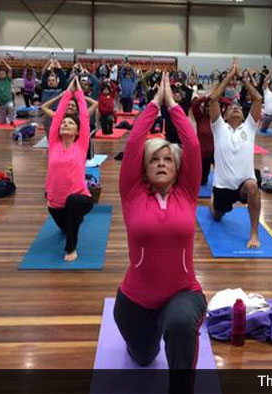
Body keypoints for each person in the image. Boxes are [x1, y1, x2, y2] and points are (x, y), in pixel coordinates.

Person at [115, 73, 205, 392]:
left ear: (177, 167)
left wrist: (173, 106)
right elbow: (133, 142)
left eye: (168, 159)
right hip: (135, 301)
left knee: (180, 323)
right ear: (144, 167)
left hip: (183, 293)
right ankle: (145, 340)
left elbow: (192, 145)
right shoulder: (132, 193)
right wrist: (154, 105)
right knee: (143, 357)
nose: (163, 163)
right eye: (155, 159)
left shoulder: (187, 194)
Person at [209, 60, 263, 249]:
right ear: (224, 116)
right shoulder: (219, 128)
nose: (235, 107)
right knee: (217, 216)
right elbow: (213, 98)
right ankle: (215, 204)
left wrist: (243, 79)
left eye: (239, 107)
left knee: (253, 186)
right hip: (222, 187)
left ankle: (254, 233)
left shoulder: (249, 127)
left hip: (242, 186)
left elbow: (257, 99)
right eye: (231, 107)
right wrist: (229, 77)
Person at [44, 77, 93, 262]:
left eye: (70, 124)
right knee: (67, 225)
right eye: (64, 123)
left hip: (80, 197)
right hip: (56, 203)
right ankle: (74, 220)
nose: (65, 124)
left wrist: (78, 92)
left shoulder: (80, 145)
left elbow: (84, 118)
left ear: (78, 132)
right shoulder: (54, 144)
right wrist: (66, 93)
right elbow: (57, 117)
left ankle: (71, 248)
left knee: (73, 203)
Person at [191, 94, 214, 186]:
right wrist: (206, 97)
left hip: (217, 153)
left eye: (211, 106)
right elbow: (195, 104)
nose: (209, 108)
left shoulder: (219, 119)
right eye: (207, 106)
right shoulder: (200, 118)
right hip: (203, 153)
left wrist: (217, 97)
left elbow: (228, 103)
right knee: (202, 182)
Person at [0, 57, 15, 125]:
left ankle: (11, 120)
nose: (2, 74)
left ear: (6, 74)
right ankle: (4, 120)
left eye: (3, 73)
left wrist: (3, 61)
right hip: (0, 104)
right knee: (2, 122)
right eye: (0, 73)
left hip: (8, 101)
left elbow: (10, 69)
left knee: (11, 106)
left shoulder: (8, 80)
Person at [260, 66, 272, 134]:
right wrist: (271, 71)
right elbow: (265, 80)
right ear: (269, 85)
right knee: (262, 130)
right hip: (267, 115)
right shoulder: (266, 91)